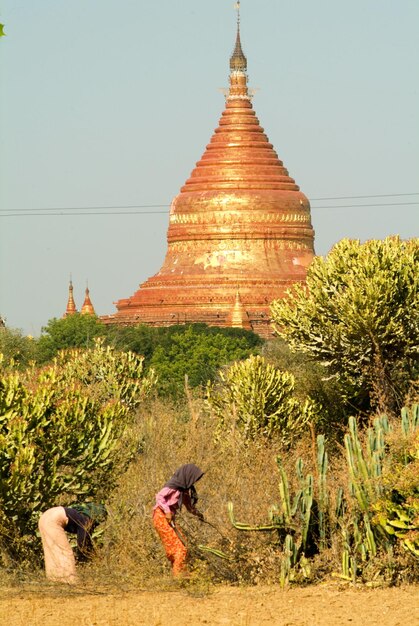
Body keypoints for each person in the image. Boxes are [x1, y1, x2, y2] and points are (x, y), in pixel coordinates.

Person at [153, 463, 204, 577]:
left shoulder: (183, 490)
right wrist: (167, 511)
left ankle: (181, 573)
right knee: (179, 548)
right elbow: (159, 497)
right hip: (161, 517)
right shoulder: (173, 486)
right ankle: (178, 577)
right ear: (188, 476)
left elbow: (189, 506)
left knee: (183, 545)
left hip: (168, 518)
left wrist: (198, 514)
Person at [38, 502, 107, 584]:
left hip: (45, 517)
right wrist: (93, 557)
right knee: (64, 551)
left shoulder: (80, 514)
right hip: (53, 519)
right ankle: (69, 581)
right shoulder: (87, 520)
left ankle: (55, 579)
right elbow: (83, 543)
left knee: (52, 551)